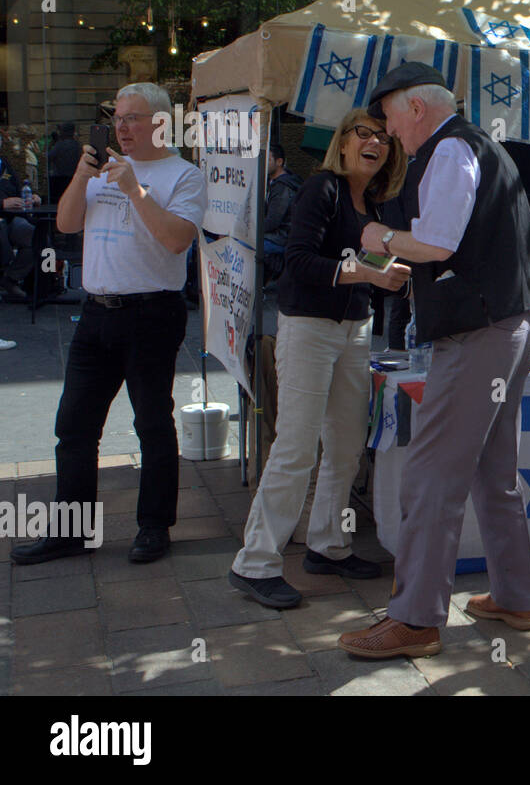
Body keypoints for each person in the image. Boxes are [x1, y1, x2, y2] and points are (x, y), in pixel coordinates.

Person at [337, 63, 530, 659]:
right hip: (505, 324)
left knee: (430, 476)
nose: (388, 132)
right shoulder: (473, 146)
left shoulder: (451, 149)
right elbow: (451, 244)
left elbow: (437, 244)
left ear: (417, 109)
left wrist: (378, 235)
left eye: (390, 118)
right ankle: (516, 597)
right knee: (492, 473)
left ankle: (416, 619)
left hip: (478, 335)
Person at [12, 82, 206, 566]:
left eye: (132, 118)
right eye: (116, 118)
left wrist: (134, 189)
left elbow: (176, 240)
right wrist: (82, 175)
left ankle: (154, 527)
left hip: (151, 314)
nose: (121, 127)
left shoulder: (184, 176)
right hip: (96, 310)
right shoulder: (102, 170)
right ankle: (72, 531)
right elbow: (67, 225)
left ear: (161, 123)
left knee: (152, 423)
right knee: (74, 425)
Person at [228, 110, 409, 608]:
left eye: (383, 137)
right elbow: (299, 261)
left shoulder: (374, 200)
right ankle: (256, 562)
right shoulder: (321, 188)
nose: (374, 142)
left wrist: (387, 271)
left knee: (347, 445)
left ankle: (328, 545)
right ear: (344, 142)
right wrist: (367, 276)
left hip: (355, 330)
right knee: (297, 447)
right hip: (308, 327)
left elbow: (365, 264)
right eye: (363, 133)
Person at [0, 151, 40, 301]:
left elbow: (17, 187)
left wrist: (30, 196)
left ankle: (11, 278)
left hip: (12, 217)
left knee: (36, 237)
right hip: (2, 218)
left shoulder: (4, 163)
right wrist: (2, 203)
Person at [262, 142, 303, 283]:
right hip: (277, 236)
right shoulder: (272, 182)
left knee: (245, 247)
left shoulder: (283, 187)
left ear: (279, 162)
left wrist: (251, 232)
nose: (264, 163)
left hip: (281, 238)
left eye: (267, 159)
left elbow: (273, 221)